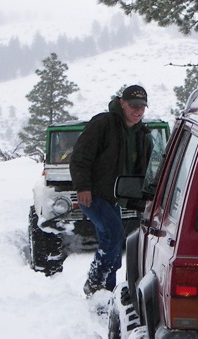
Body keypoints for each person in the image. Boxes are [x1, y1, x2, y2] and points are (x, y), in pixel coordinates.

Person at [70, 84, 153, 296]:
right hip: (94, 194)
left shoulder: (142, 134)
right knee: (113, 233)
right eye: (134, 105)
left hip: (116, 196)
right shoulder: (103, 124)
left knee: (114, 240)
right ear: (122, 103)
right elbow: (80, 157)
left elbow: (145, 169)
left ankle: (107, 289)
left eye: (142, 106)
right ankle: (96, 281)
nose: (138, 110)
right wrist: (83, 187)